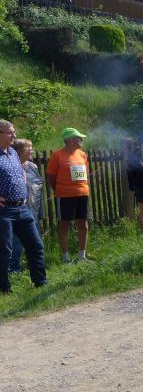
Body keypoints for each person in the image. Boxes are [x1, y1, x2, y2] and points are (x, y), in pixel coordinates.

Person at [0, 121, 46, 293]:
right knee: (5, 250)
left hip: (22, 208)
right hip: (4, 211)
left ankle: (41, 282)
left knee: (35, 245)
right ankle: (4, 288)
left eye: (14, 132)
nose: (14, 135)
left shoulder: (12, 152)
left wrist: (22, 188)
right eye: (10, 132)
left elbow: (20, 172)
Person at [47, 127, 90, 263]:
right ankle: (65, 257)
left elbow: (86, 173)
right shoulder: (57, 155)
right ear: (70, 140)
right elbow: (51, 176)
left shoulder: (82, 154)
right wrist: (59, 189)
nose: (82, 140)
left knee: (83, 224)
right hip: (65, 196)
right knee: (64, 224)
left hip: (83, 194)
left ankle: (82, 256)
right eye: (79, 138)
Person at [9, 138, 44, 274]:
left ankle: (34, 268)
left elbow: (39, 188)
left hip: (33, 212)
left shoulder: (33, 167)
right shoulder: (13, 167)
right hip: (19, 211)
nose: (31, 150)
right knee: (16, 241)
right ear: (18, 151)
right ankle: (13, 270)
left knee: (35, 242)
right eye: (28, 148)